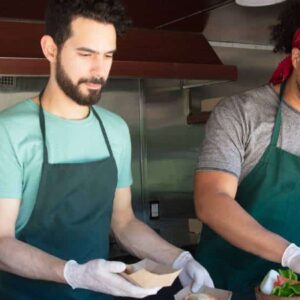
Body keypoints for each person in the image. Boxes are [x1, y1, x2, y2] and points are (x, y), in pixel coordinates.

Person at [0, 0, 214, 299]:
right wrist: (74, 273)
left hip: (99, 294)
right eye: (86, 54)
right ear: (50, 49)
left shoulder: (115, 130)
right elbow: (1, 242)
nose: (99, 70)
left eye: (108, 55)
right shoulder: (9, 131)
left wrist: (179, 259)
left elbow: (123, 221)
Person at [194, 0, 300, 299]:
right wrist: (291, 255)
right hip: (227, 284)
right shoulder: (241, 113)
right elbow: (211, 200)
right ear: (296, 57)